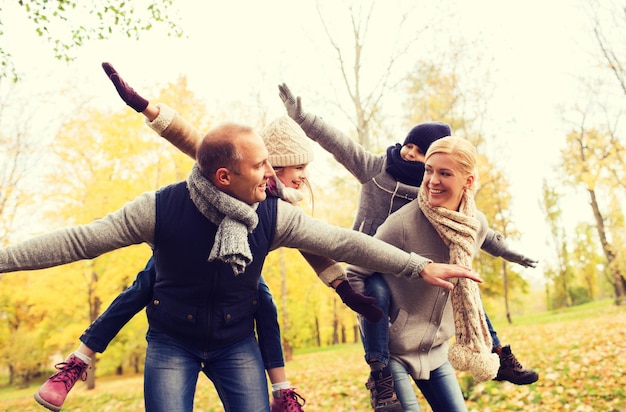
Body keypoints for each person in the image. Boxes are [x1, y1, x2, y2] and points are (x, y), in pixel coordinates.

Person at [0, 93, 484, 412]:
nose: (271, 177)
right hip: (172, 341)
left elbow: (344, 242)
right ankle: (81, 355)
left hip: (235, 344)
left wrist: (419, 266)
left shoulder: (272, 214)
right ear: (224, 178)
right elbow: (77, 241)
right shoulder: (160, 209)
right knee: (141, 286)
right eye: (261, 168)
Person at [32, 65, 382, 412]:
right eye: (299, 169)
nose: (304, 178)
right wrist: (145, 106)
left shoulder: (279, 206)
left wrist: (342, 287)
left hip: (237, 265)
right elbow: (188, 136)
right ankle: (81, 358)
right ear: (273, 164)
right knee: (145, 284)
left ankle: (281, 390)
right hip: (185, 259)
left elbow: (317, 245)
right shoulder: (239, 169)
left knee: (263, 301)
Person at [278, 84, 539, 410]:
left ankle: (495, 352)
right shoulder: (377, 170)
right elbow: (339, 144)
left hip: (416, 281)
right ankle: (380, 371)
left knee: (467, 288)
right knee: (378, 296)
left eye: (421, 154)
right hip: (370, 260)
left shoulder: (431, 190)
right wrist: (303, 118)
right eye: (409, 146)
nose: (409, 155)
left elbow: (478, 230)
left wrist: (510, 251)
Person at [347, 135, 502, 410]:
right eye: (429, 170)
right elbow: (356, 273)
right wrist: (383, 322)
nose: (432, 181)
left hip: (436, 350)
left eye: (445, 173)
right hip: (394, 351)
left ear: (468, 181)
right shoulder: (402, 224)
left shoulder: (475, 225)